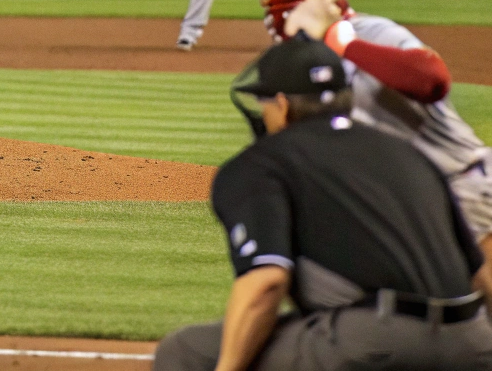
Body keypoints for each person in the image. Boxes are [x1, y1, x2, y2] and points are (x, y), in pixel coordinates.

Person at [155, 32, 492, 370]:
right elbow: (480, 273)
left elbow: (267, 283)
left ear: (283, 104)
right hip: (472, 342)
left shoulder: (262, 163)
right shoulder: (410, 154)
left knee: (186, 350)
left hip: (375, 342)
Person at [260, 0, 492, 261]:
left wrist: (341, 41)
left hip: (463, 186)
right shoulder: (304, 65)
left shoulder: (369, 31)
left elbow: (433, 80)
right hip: (412, 205)